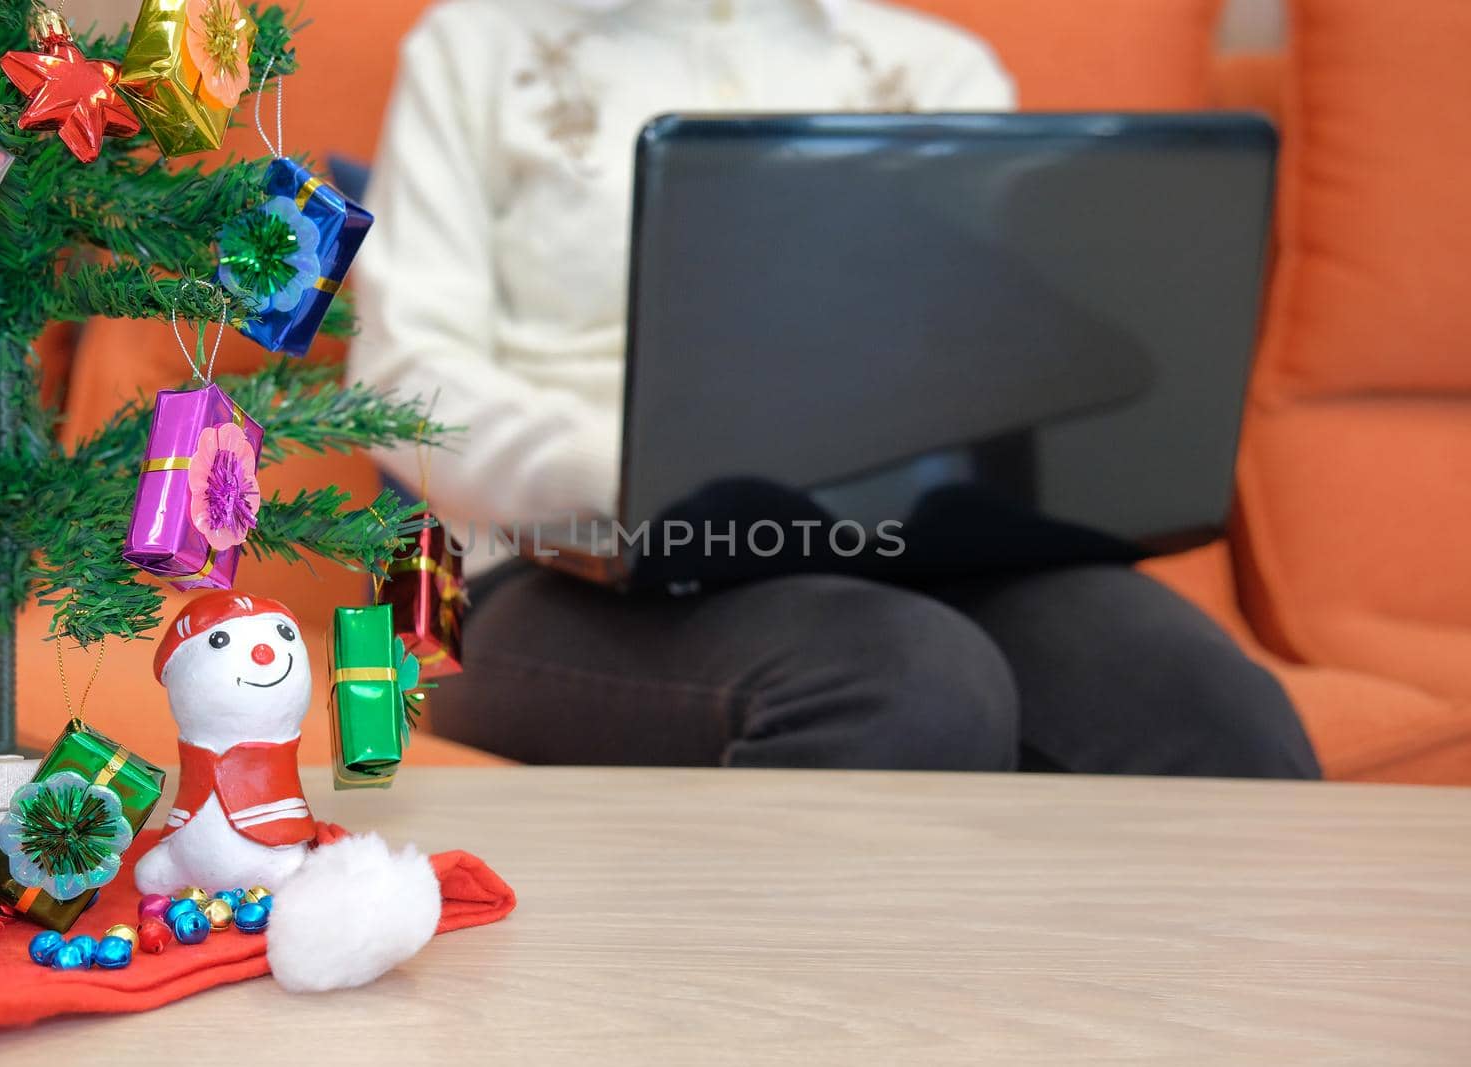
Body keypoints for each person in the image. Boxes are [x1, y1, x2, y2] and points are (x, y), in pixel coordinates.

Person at [347, 0, 1322, 778]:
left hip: (912, 545)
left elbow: (1006, 356)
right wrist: (650, 477)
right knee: (903, 681)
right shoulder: (469, 44)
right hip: (522, 565)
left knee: (1202, 699)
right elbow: (398, 381)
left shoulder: (942, 70)